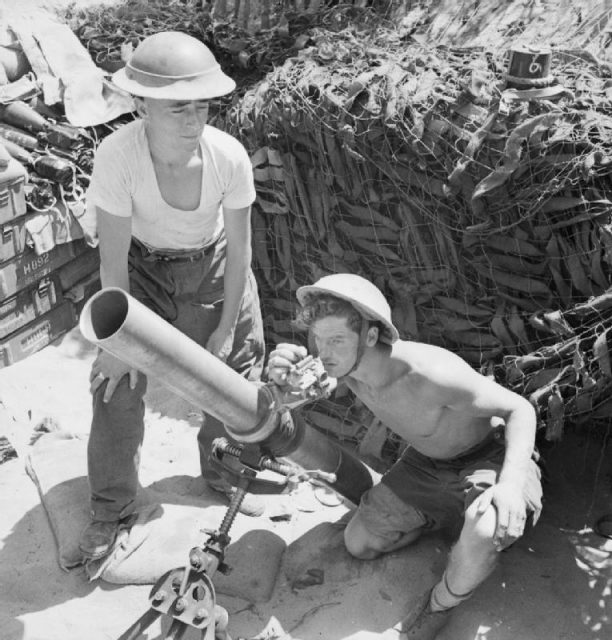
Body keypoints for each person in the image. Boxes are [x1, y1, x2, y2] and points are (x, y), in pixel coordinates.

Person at [267, 273, 543, 639]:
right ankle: (455, 532)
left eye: (335, 340)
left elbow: (519, 410)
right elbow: (291, 397)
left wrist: (509, 485)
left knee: (487, 526)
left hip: (489, 457)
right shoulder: (346, 368)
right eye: (318, 339)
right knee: (359, 543)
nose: (324, 352)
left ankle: (441, 603)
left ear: (370, 336)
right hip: (427, 465)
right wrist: (278, 380)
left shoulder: (432, 374)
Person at [78, 31, 266, 561]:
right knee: (113, 383)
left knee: (234, 382)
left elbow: (242, 251)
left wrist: (227, 328)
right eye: (177, 108)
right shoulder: (118, 156)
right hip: (143, 272)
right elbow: (111, 258)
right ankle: (111, 506)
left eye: (201, 106)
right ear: (142, 105)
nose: (193, 121)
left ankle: (226, 473)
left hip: (213, 266)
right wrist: (115, 344)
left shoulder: (228, 157)